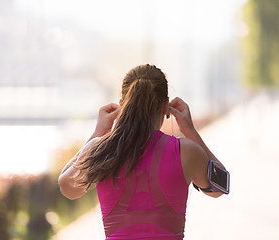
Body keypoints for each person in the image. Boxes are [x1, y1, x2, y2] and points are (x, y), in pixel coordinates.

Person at [58, 64, 227, 239]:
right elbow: (220, 187)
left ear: (122, 106)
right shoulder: (186, 151)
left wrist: (97, 134)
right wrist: (190, 131)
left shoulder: (100, 149)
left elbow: (67, 187)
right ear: (165, 108)